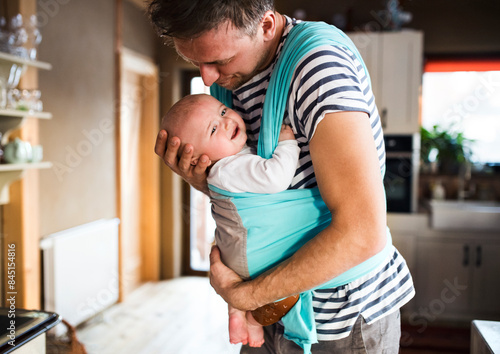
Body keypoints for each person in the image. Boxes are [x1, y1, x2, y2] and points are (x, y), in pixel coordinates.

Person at [149, 1, 415, 353]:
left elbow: (362, 233)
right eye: (196, 62)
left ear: (266, 25)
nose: (208, 77)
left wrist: (243, 295)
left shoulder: (317, 69)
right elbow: (258, 192)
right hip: (272, 309)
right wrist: (208, 181)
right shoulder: (231, 84)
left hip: (340, 319)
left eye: (219, 60)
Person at [161, 93, 301, 347]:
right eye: (213, 129)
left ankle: (239, 320)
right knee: (283, 293)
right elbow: (275, 179)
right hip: (251, 252)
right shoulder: (229, 168)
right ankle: (254, 322)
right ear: (196, 160)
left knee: (240, 290)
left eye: (223, 111)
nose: (226, 122)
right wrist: (287, 144)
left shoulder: (227, 165)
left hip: (234, 250)